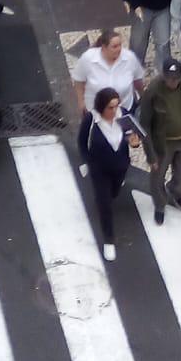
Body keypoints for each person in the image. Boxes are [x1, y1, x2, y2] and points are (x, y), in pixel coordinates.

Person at [139, 57, 181, 224]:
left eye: (176, 78)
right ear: (164, 76)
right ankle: (160, 205)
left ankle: (175, 191)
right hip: (163, 143)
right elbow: (144, 124)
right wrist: (150, 154)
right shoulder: (153, 91)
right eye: (169, 78)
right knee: (157, 176)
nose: (173, 82)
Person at [77, 87, 133, 263]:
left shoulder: (123, 116)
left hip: (120, 166)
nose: (114, 110)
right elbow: (81, 142)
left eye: (116, 106)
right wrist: (88, 161)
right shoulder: (92, 120)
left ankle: (113, 191)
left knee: (114, 192)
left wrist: (135, 142)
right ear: (102, 106)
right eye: (110, 107)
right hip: (100, 169)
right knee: (105, 203)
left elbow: (131, 137)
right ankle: (109, 239)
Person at [71, 28, 144, 127]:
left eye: (120, 45)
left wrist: (143, 97)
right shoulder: (88, 59)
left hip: (124, 111)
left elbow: (138, 80)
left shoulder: (129, 58)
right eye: (114, 46)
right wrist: (81, 101)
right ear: (104, 47)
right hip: (96, 114)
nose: (119, 49)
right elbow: (79, 80)